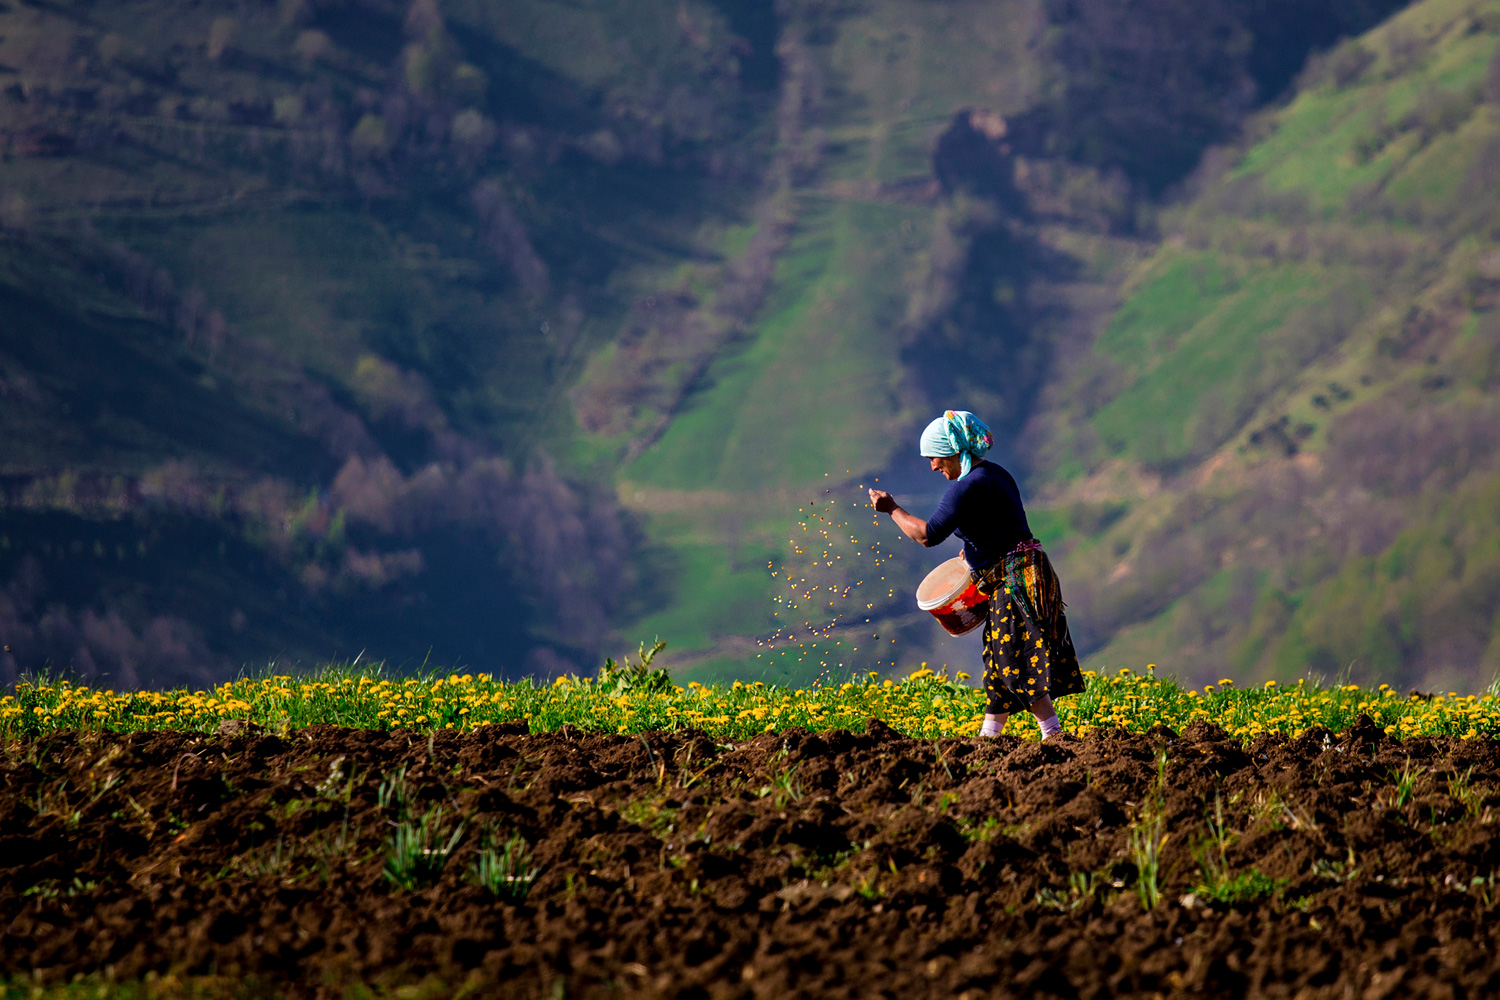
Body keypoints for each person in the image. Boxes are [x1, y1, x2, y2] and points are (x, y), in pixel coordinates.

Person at [868, 410, 1084, 740]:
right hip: (1024, 574)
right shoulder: (996, 475)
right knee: (999, 659)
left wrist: (892, 509)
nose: (934, 466)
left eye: (936, 458)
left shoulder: (966, 487)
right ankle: (989, 740)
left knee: (1015, 658)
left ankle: (1053, 735)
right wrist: (972, 552)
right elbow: (999, 527)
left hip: (1015, 584)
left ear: (955, 452)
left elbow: (928, 535)